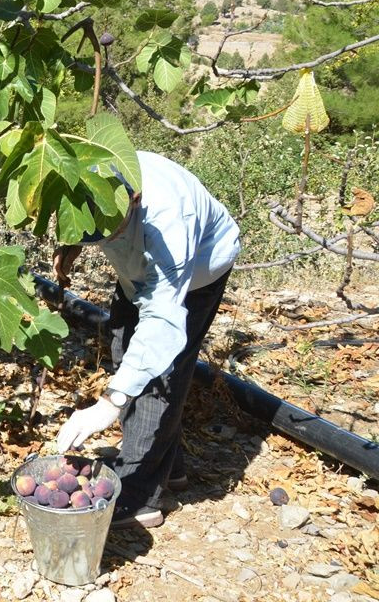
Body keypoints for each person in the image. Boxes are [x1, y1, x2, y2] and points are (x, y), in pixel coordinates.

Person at [52, 150, 240, 529]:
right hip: (137, 273)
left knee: (159, 377)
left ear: (134, 199)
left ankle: (139, 496)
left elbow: (161, 325)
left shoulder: (170, 220)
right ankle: (168, 467)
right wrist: (71, 245)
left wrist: (110, 403)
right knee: (124, 350)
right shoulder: (90, 172)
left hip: (195, 273)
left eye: (110, 231)